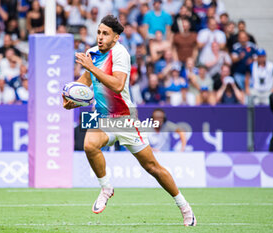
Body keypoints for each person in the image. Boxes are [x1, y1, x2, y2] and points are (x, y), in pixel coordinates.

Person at [62, 15, 196, 226]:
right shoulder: (92, 54)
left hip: (123, 118)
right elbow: (85, 83)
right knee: (89, 145)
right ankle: (106, 187)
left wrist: (91, 67)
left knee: (152, 167)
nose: (100, 37)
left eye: (105, 34)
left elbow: (117, 84)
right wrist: (72, 98)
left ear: (116, 37)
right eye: (98, 32)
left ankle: (184, 206)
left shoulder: (120, 53)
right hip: (101, 117)